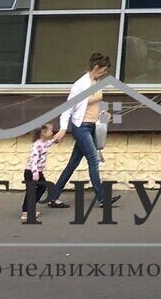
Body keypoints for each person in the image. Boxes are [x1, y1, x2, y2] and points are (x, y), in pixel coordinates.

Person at [47, 52, 120, 208]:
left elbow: (96, 103)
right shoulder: (80, 85)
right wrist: (63, 129)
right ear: (96, 67)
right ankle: (102, 199)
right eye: (104, 70)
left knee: (72, 163)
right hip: (81, 127)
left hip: (93, 125)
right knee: (93, 159)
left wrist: (103, 113)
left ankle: (53, 196)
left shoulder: (97, 82)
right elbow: (67, 108)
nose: (105, 73)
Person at [21, 123, 53, 223]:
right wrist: (35, 173)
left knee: (42, 187)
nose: (52, 132)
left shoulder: (43, 143)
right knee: (31, 191)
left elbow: (48, 144)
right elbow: (33, 160)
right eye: (50, 131)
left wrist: (55, 140)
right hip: (31, 172)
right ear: (43, 133)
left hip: (38, 172)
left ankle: (30, 207)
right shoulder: (37, 145)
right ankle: (26, 212)